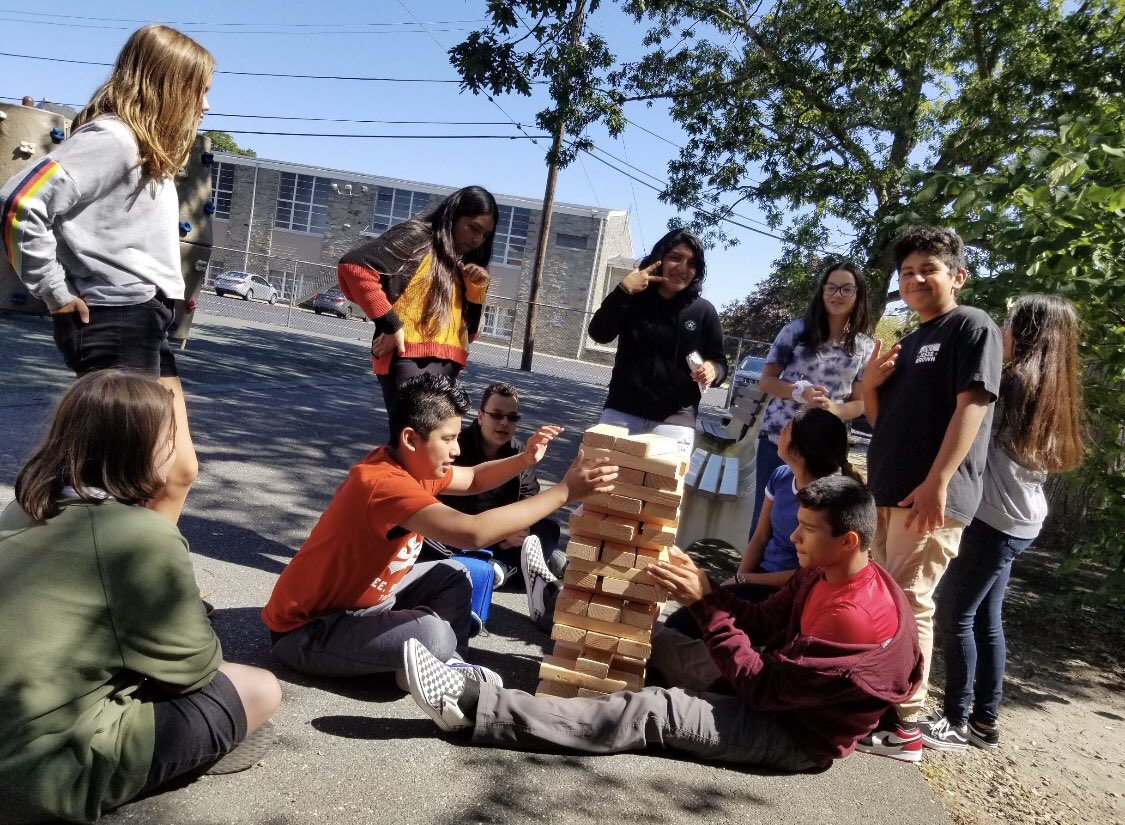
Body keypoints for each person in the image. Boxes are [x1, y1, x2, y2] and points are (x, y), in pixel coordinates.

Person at [403, 476, 922, 774]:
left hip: (792, 733)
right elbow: (761, 623)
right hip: (772, 685)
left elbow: (761, 690)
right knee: (647, 642)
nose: (795, 539)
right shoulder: (824, 572)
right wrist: (708, 592)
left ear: (850, 540)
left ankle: (473, 708)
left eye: (808, 530)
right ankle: (556, 609)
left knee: (653, 710)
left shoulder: (853, 619)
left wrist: (708, 606)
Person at [0, 371, 281, 824]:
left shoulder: (25, 506)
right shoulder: (140, 535)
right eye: (170, 438)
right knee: (258, 687)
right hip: (43, 773)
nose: (178, 452)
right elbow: (195, 667)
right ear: (136, 449)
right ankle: (154, 768)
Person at [261, 373, 616, 686]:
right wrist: (566, 491)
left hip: (367, 604)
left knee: (455, 573)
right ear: (412, 438)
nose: (457, 449)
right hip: (310, 630)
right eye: (448, 439)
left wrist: (525, 460)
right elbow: (472, 532)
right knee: (432, 634)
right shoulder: (383, 484)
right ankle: (432, 656)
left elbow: (474, 477)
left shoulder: (412, 465)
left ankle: (445, 663)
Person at [0, 25, 214, 526]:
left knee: (178, 470)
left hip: (145, 320)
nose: (205, 105)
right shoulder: (113, 139)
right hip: (114, 318)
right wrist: (53, 291)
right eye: (200, 90)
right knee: (117, 481)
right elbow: (20, 201)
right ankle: (65, 581)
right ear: (169, 84)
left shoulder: (144, 148)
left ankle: (146, 586)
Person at [856, 226, 1003, 762]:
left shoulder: (972, 327)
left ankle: (909, 728)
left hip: (931, 497)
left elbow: (974, 406)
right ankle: (882, 708)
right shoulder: (911, 340)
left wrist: (937, 481)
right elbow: (883, 421)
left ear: (958, 276)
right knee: (886, 604)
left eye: (928, 269)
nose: (915, 278)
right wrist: (870, 384)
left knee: (911, 603)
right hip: (890, 492)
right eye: (907, 271)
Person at [920, 295, 1085, 752]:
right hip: (1021, 520)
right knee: (985, 620)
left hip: (994, 520)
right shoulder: (1051, 387)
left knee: (956, 615)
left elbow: (963, 429)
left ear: (1028, 333)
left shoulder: (1012, 383)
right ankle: (984, 722)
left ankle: (955, 719)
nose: (1003, 334)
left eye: (1009, 324)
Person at [336, 185, 499, 414]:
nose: (477, 239)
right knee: (415, 443)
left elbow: (469, 335)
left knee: (436, 447)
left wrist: (476, 289)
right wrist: (392, 325)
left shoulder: (460, 264)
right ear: (453, 215)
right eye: (474, 228)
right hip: (408, 359)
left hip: (448, 364)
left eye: (485, 235)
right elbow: (355, 267)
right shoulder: (419, 236)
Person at [752, 261, 874, 533]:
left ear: (858, 295)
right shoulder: (795, 331)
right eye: (831, 287)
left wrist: (836, 410)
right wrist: (799, 392)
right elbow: (766, 381)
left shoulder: (865, 347)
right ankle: (752, 576)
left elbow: (859, 403)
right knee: (766, 521)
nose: (837, 294)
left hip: (824, 448)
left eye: (846, 289)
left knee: (812, 526)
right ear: (821, 292)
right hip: (780, 439)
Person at [587, 228, 728, 453]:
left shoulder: (704, 311)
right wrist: (623, 290)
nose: (683, 269)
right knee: (601, 485)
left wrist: (712, 370)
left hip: (676, 421)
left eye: (692, 264)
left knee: (661, 487)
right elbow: (599, 334)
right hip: (623, 412)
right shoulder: (632, 298)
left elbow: (720, 363)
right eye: (675, 258)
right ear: (659, 259)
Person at [425, 381, 563, 587]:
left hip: (502, 540)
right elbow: (439, 500)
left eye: (512, 417)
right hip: (459, 531)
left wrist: (519, 527)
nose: (504, 423)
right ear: (480, 417)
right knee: (425, 533)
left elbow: (529, 497)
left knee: (547, 528)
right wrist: (499, 530)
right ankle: (529, 566)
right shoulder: (456, 447)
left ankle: (500, 569)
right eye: (497, 415)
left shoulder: (519, 452)